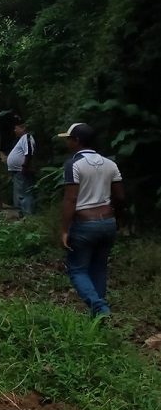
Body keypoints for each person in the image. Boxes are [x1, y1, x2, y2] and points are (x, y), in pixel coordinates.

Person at [58, 123, 125, 318]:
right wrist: (118, 219)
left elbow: (71, 199)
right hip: (108, 222)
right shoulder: (110, 164)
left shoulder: (74, 164)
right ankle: (98, 317)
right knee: (99, 268)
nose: (68, 142)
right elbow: (120, 197)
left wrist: (64, 229)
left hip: (85, 225)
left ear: (77, 141)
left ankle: (99, 307)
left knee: (77, 270)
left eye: (69, 139)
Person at [6, 116, 36, 215]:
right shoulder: (22, 139)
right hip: (18, 171)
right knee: (19, 194)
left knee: (24, 194)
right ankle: (20, 215)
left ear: (22, 128)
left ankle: (27, 215)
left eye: (16, 128)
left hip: (21, 170)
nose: (15, 131)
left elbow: (29, 152)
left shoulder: (26, 138)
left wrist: (24, 166)